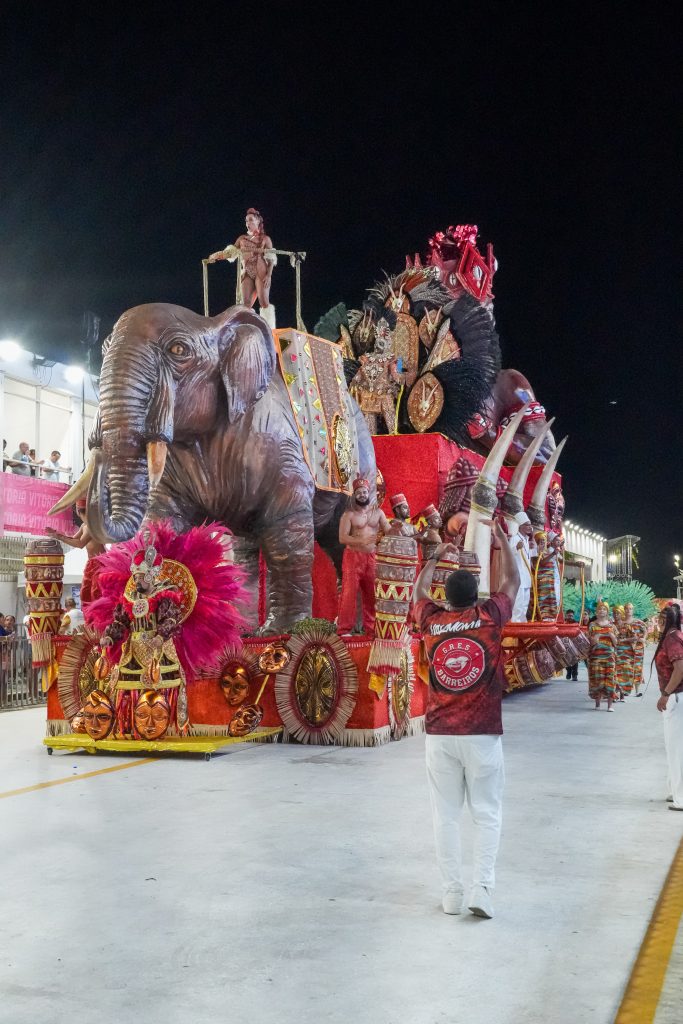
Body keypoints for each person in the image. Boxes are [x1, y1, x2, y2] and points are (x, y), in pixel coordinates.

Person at [413, 518, 520, 920]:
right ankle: (482, 889)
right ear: (477, 594)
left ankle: (452, 894)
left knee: (446, 816)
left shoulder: (434, 622)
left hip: (440, 735)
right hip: (482, 735)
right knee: (488, 814)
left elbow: (417, 592)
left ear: (447, 596)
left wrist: (434, 557)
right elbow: (513, 580)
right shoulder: (491, 616)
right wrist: (503, 540)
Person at [337, 476, 391, 635]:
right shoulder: (349, 515)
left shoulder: (378, 513)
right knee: (349, 593)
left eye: (364, 492)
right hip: (353, 557)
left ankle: (372, 629)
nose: (362, 495)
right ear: (354, 495)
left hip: (371, 557)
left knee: (373, 594)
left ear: (369, 493)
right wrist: (360, 540)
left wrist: (400, 528)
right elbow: (342, 538)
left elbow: (388, 530)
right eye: (359, 492)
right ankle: (344, 629)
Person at [208, 208, 277, 328]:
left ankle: (269, 329)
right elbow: (231, 253)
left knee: (264, 302)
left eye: (250, 220)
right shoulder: (242, 238)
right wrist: (217, 255)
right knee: (245, 304)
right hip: (246, 272)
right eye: (246, 221)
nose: (247, 223)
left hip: (261, 271)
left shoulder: (265, 239)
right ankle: (247, 328)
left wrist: (269, 275)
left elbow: (271, 258)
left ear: (257, 221)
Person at [45, 499, 106, 604]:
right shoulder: (84, 526)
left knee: (95, 594)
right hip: (93, 563)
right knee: (87, 594)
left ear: (77, 511)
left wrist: (59, 536)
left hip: (99, 563)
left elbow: (80, 544)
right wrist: (57, 534)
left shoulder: (92, 525)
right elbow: (73, 539)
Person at [655, 605, 683, 810]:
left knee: (677, 749)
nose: (657, 623)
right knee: (673, 747)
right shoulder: (676, 635)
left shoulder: (672, 638)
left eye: (660, 619)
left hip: (676, 697)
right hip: (677, 697)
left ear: (666, 621)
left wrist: (665, 694)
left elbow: (680, 668)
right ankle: (674, 789)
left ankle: (680, 797)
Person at [588, 600, 618, 710]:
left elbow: (616, 643)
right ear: (596, 611)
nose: (602, 610)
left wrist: (611, 636)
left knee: (610, 680)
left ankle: (610, 706)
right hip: (596, 657)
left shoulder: (612, 626)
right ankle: (597, 704)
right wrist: (595, 638)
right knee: (598, 680)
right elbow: (590, 642)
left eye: (604, 609)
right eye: (600, 609)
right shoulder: (592, 625)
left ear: (607, 612)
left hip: (609, 657)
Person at [509, 512, 533, 621]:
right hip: (518, 578)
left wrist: (537, 551)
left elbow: (527, 556)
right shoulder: (514, 539)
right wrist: (516, 548)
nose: (530, 527)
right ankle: (515, 631)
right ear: (521, 526)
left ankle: (523, 631)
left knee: (524, 606)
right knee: (517, 607)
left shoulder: (526, 540)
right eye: (527, 525)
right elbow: (508, 554)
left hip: (526, 578)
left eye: (530, 525)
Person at [564, 609, 579, 680]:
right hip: (565, 643)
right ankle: (568, 671)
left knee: (575, 659)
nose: (570, 617)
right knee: (567, 658)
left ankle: (575, 675)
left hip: (574, 643)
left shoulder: (576, 623)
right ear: (566, 615)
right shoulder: (563, 622)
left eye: (572, 616)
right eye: (569, 615)